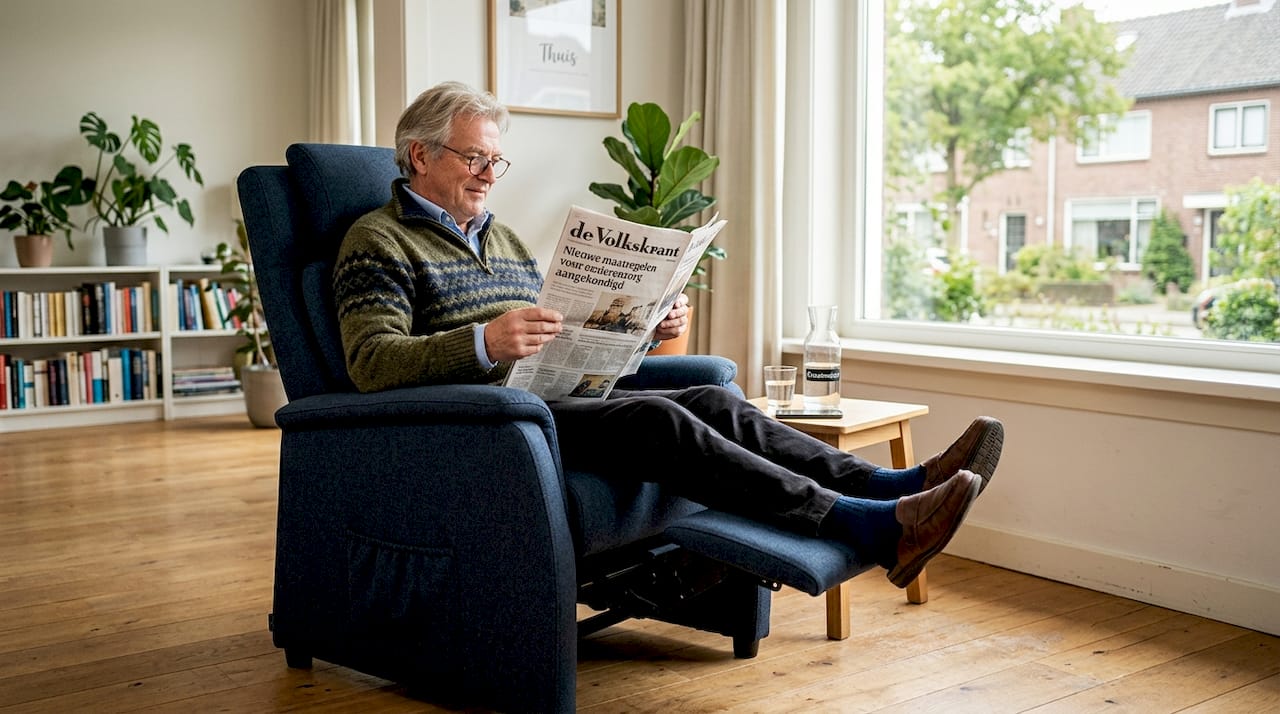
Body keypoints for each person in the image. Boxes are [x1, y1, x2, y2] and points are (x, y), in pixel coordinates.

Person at [332, 81, 1005, 588]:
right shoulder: (378, 240)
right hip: (485, 424)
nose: (488, 175)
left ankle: (890, 483)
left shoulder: (500, 236)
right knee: (657, 420)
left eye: (494, 162)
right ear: (419, 155)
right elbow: (370, 362)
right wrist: (484, 342)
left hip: (554, 398)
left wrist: (644, 329)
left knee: (713, 399)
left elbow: (554, 333)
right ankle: (872, 527)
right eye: (475, 158)